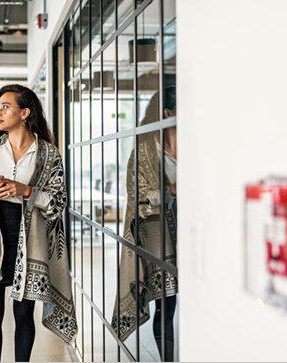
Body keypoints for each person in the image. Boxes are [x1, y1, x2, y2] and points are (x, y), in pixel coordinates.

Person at [0, 84, 77, 361]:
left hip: (31, 239)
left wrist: (26, 191)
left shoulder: (49, 154)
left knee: (23, 313)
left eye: (5, 106)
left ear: (25, 112)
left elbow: (58, 203)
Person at [112, 87, 178, 361]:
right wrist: (171, 190)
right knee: (167, 306)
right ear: (168, 113)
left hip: (199, 233)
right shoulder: (143, 153)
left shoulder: (199, 145)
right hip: (161, 239)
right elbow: (137, 199)